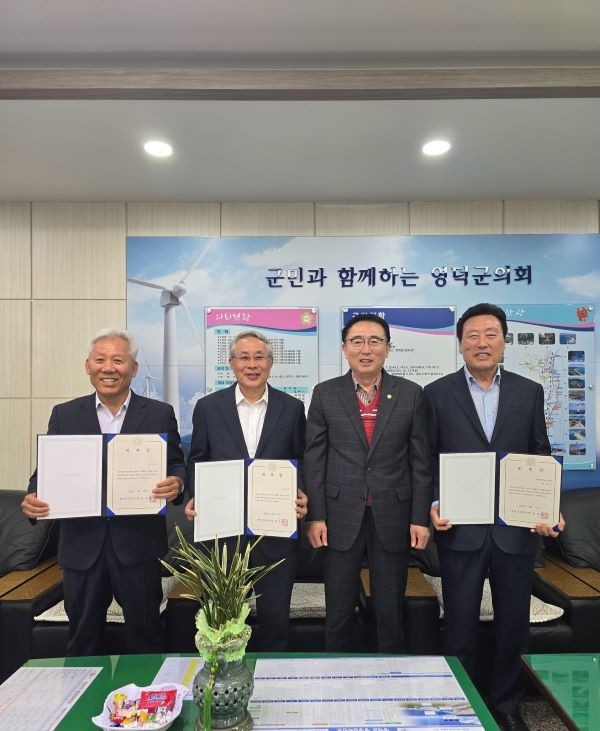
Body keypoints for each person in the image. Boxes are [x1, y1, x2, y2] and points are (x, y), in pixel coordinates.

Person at [424, 303, 565, 731]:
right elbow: (428, 458)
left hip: (515, 530)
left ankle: (507, 704)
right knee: (459, 626)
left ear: (504, 341)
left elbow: (539, 454)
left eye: (490, 334)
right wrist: (434, 502)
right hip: (461, 528)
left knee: (513, 627)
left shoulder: (529, 391)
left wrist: (548, 506)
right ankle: (461, 702)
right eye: (472, 335)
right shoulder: (436, 393)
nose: (481, 343)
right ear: (460, 344)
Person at [22, 329, 186, 656]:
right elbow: (47, 472)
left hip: (138, 547)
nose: (108, 368)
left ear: (134, 368)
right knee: (82, 642)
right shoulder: (65, 414)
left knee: (147, 639)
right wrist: (33, 496)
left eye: (118, 360)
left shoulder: (159, 413)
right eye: (100, 360)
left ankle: (146, 693)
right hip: (82, 547)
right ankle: (86, 692)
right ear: (88, 365)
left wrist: (177, 483)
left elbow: (176, 464)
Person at [304, 313, 431, 652]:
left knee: (390, 611)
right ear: (344, 349)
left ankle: (389, 675)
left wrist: (419, 518)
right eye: (357, 341)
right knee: (338, 610)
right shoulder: (325, 394)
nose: (366, 349)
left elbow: (420, 462)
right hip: (339, 515)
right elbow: (314, 459)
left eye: (375, 341)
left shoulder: (411, 394)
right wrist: (316, 516)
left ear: (388, 348)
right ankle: (336, 676)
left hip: (393, 514)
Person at [185, 330, 307, 651]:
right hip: (223, 536)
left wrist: (302, 493)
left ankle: (274, 679)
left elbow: (302, 461)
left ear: (270, 362)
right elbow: (196, 460)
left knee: (276, 623)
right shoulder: (209, 407)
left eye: (259, 357)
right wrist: (196, 494)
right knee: (223, 624)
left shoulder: (292, 408)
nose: (252, 365)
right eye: (244, 357)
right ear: (231, 363)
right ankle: (225, 677)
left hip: (275, 535)